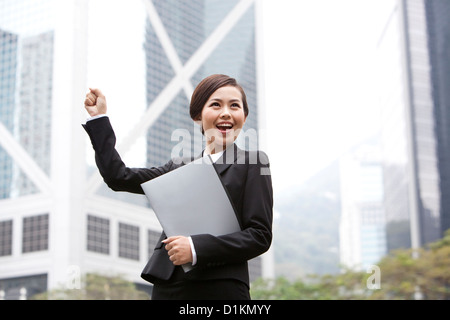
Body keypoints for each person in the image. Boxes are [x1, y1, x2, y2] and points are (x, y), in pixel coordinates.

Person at [82, 74, 273, 300]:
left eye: (235, 106)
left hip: (221, 288)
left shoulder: (253, 163)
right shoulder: (179, 166)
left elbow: (259, 235)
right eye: (215, 105)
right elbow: (118, 177)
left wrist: (194, 248)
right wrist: (99, 119)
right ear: (197, 115)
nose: (226, 113)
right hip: (169, 285)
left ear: (244, 115)